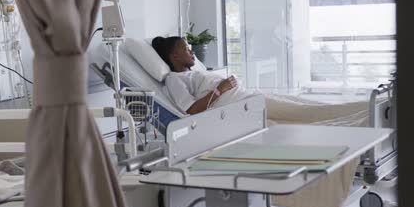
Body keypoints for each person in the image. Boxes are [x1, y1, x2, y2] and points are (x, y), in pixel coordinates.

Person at [152, 36, 369, 126]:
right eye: (186, 49)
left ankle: (366, 113)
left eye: (191, 48)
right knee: (307, 115)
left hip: (250, 99)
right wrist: (220, 89)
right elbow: (190, 111)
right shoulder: (173, 79)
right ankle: (366, 116)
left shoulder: (194, 71)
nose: (191, 51)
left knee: (305, 108)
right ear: (174, 56)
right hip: (242, 107)